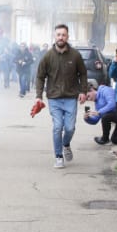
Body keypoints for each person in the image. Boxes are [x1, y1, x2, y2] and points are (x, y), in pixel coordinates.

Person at [32, 24, 88, 169]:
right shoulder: (48, 56)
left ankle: (66, 144)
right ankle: (58, 156)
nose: (61, 37)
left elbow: (82, 73)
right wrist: (38, 96)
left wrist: (83, 91)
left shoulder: (75, 55)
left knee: (69, 128)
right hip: (54, 98)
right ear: (54, 36)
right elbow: (40, 77)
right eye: (58, 35)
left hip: (70, 98)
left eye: (63, 35)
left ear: (67, 36)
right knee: (57, 127)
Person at [86, 77, 117, 144]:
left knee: (106, 117)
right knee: (115, 140)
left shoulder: (105, 90)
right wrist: (87, 118)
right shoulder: (97, 102)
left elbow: (112, 104)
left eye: (88, 96)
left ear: (92, 90)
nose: (88, 99)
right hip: (116, 118)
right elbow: (95, 120)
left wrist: (99, 112)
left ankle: (104, 139)